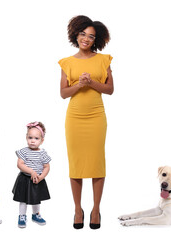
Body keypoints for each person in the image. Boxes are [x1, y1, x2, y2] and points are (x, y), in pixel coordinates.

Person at [58, 15, 113, 229]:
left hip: (96, 117)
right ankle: (77, 209)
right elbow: (63, 93)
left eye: (91, 36)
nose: (86, 39)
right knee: (77, 164)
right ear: (76, 35)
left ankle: (96, 209)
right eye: (83, 34)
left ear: (95, 39)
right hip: (74, 119)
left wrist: (92, 83)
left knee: (97, 163)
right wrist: (80, 85)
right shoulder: (67, 62)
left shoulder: (103, 60)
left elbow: (110, 89)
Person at [12, 122, 51, 228]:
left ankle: (35, 215)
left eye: (36, 138)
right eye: (30, 137)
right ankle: (22, 216)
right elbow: (20, 164)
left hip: (37, 179)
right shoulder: (24, 151)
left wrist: (41, 177)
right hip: (25, 179)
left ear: (42, 140)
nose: (33, 140)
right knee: (23, 200)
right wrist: (31, 172)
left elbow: (47, 167)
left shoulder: (43, 153)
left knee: (36, 199)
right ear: (26, 137)